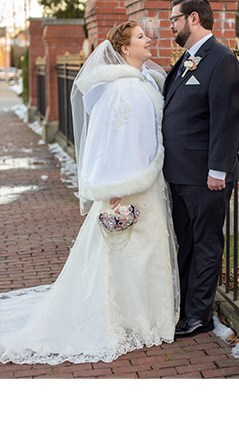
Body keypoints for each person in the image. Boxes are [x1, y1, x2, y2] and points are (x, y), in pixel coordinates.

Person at [0, 22, 179, 364]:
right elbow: (110, 141)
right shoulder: (121, 89)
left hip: (147, 181)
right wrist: (115, 187)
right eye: (141, 37)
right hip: (128, 187)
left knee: (144, 254)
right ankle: (127, 320)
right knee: (127, 254)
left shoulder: (142, 82)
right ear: (125, 48)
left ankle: (144, 317)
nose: (149, 40)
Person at [163, 0, 239, 337]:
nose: (171, 26)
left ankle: (199, 315)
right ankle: (184, 307)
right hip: (179, 174)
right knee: (187, 243)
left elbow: (226, 119)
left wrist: (217, 171)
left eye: (174, 19)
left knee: (206, 244)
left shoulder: (221, 59)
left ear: (193, 18)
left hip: (205, 176)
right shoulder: (186, 60)